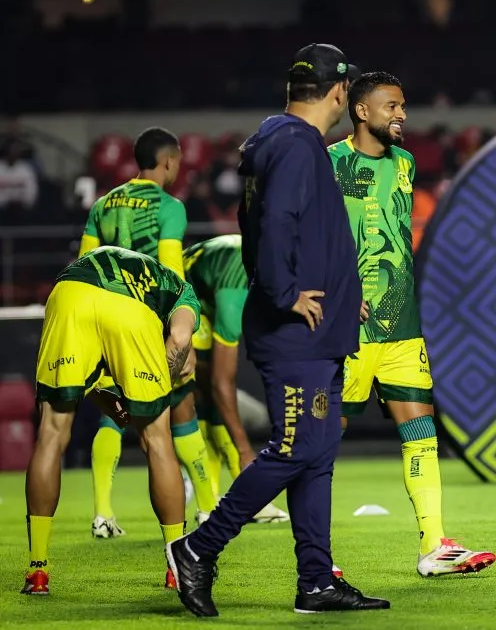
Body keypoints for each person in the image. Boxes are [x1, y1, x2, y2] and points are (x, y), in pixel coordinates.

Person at [167, 43, 389, 618]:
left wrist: (341, 300)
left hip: (317, 331)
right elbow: (274, 227)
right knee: (295, 448)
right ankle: (197, 547)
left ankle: (316, 581)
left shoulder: (278, 141)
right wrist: (287, 294)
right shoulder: (294, 145)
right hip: (296, 336)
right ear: (341, 92)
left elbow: (286, 227)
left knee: (316, 457)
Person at [327, 72, 495, 576]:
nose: (402, 114)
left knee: (420, 432)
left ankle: (433, 544)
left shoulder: (405, 163)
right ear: (362, 111)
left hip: (401, 326)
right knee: (321, 446)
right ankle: (317, 557)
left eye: (403, 106)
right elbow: (304, 234)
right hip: (346, 331)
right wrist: (336, 289)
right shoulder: (329, 163)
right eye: (391, 106)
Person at [22, 246, 200, 595]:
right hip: (129, 312)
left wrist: (110, 397)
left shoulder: (112, 261)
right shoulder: (182, 292)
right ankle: (177, 568)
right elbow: (179, 340)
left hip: (69, 292)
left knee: (51, 433)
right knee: (158, 440)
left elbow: (91, 369)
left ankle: (38, 570)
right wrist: (158, 390)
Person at [81, 128, 220, 553]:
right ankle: (208, 508)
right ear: (168, 162)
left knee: (112, 413)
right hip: (149, 322)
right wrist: (184, 334)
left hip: (105, 320)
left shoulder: (102, 205)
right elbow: (171, 275)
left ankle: (103, 512)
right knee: (182, 409)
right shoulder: (169, 207)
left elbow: (85, 264)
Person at [183, 234, 290, 523]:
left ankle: (238, 497)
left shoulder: (275, 273)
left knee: (213, 399)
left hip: (210, 280)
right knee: (206, 394)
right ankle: (209, 502)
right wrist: (246, 450)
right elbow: (222, 381)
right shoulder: (235, 294)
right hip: (188, 298)